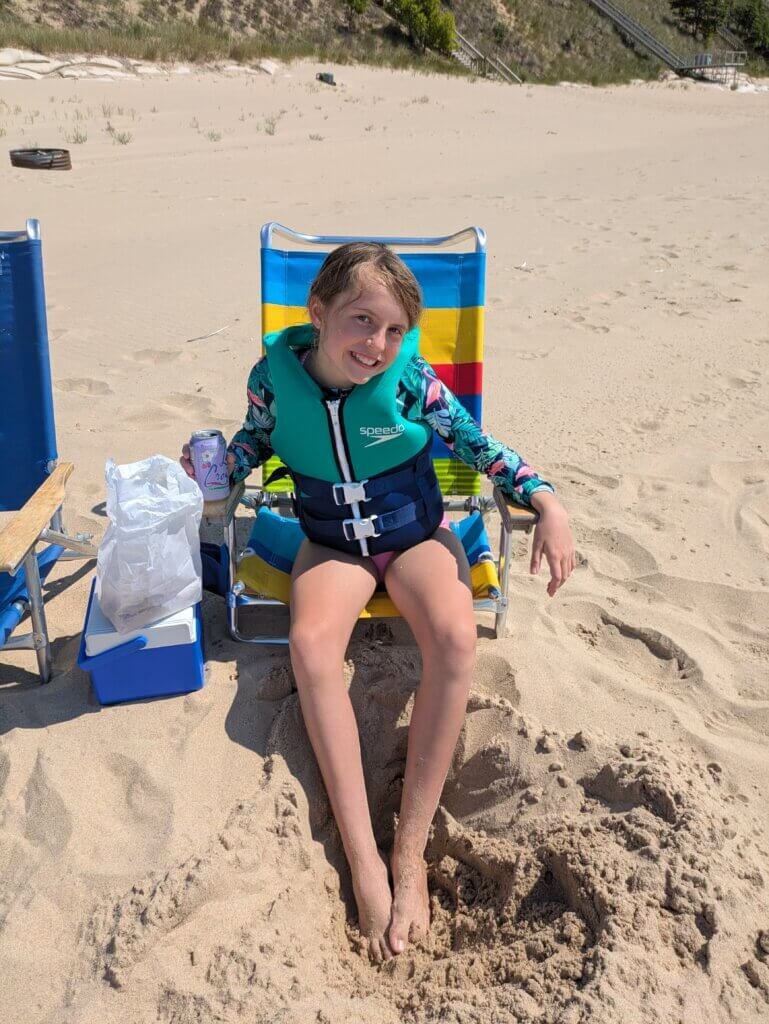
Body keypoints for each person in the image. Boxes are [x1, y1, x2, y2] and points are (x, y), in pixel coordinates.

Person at [181, 243, 575, 962]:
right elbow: (254, 440)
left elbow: (482, 448)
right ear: (318, 312)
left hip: (419, 536)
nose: (378, 344)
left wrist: (545, 502)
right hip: (331, 543)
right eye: (362, 321)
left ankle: (410, 851)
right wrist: (219, 467)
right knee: (309, 648)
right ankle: (363, 855)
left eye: (394, 330)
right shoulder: (273, 379)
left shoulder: (408, 381)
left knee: (455, 640)